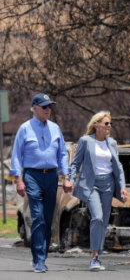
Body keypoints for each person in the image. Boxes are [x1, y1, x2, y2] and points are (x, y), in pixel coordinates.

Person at [10, 93, 73, 273]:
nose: (48, 110)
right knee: (37, 216)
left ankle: (41, 256)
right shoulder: (25, 128)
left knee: (47, 218)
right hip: (32, 176)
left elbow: (62, 154)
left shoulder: (55, 128)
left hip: (51, 177)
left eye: (49, 106)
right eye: (44, 107)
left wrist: (66, 177)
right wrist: (18, 180)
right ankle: (38, 259)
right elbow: (16, 155)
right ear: (34, 108)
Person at [64, 111, 128, 271]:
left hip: (108, 185)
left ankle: (98, 255)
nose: (109, 126)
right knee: (97, 217)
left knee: (104, 222)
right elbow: (76, 163)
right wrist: (70, 180)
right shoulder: (85, 141)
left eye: (110, 124)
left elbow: (118, 167)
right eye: (106, 123)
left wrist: (122, 187)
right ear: (96, 125)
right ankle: (94, 258)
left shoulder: (111, 143)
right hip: (91, 185)